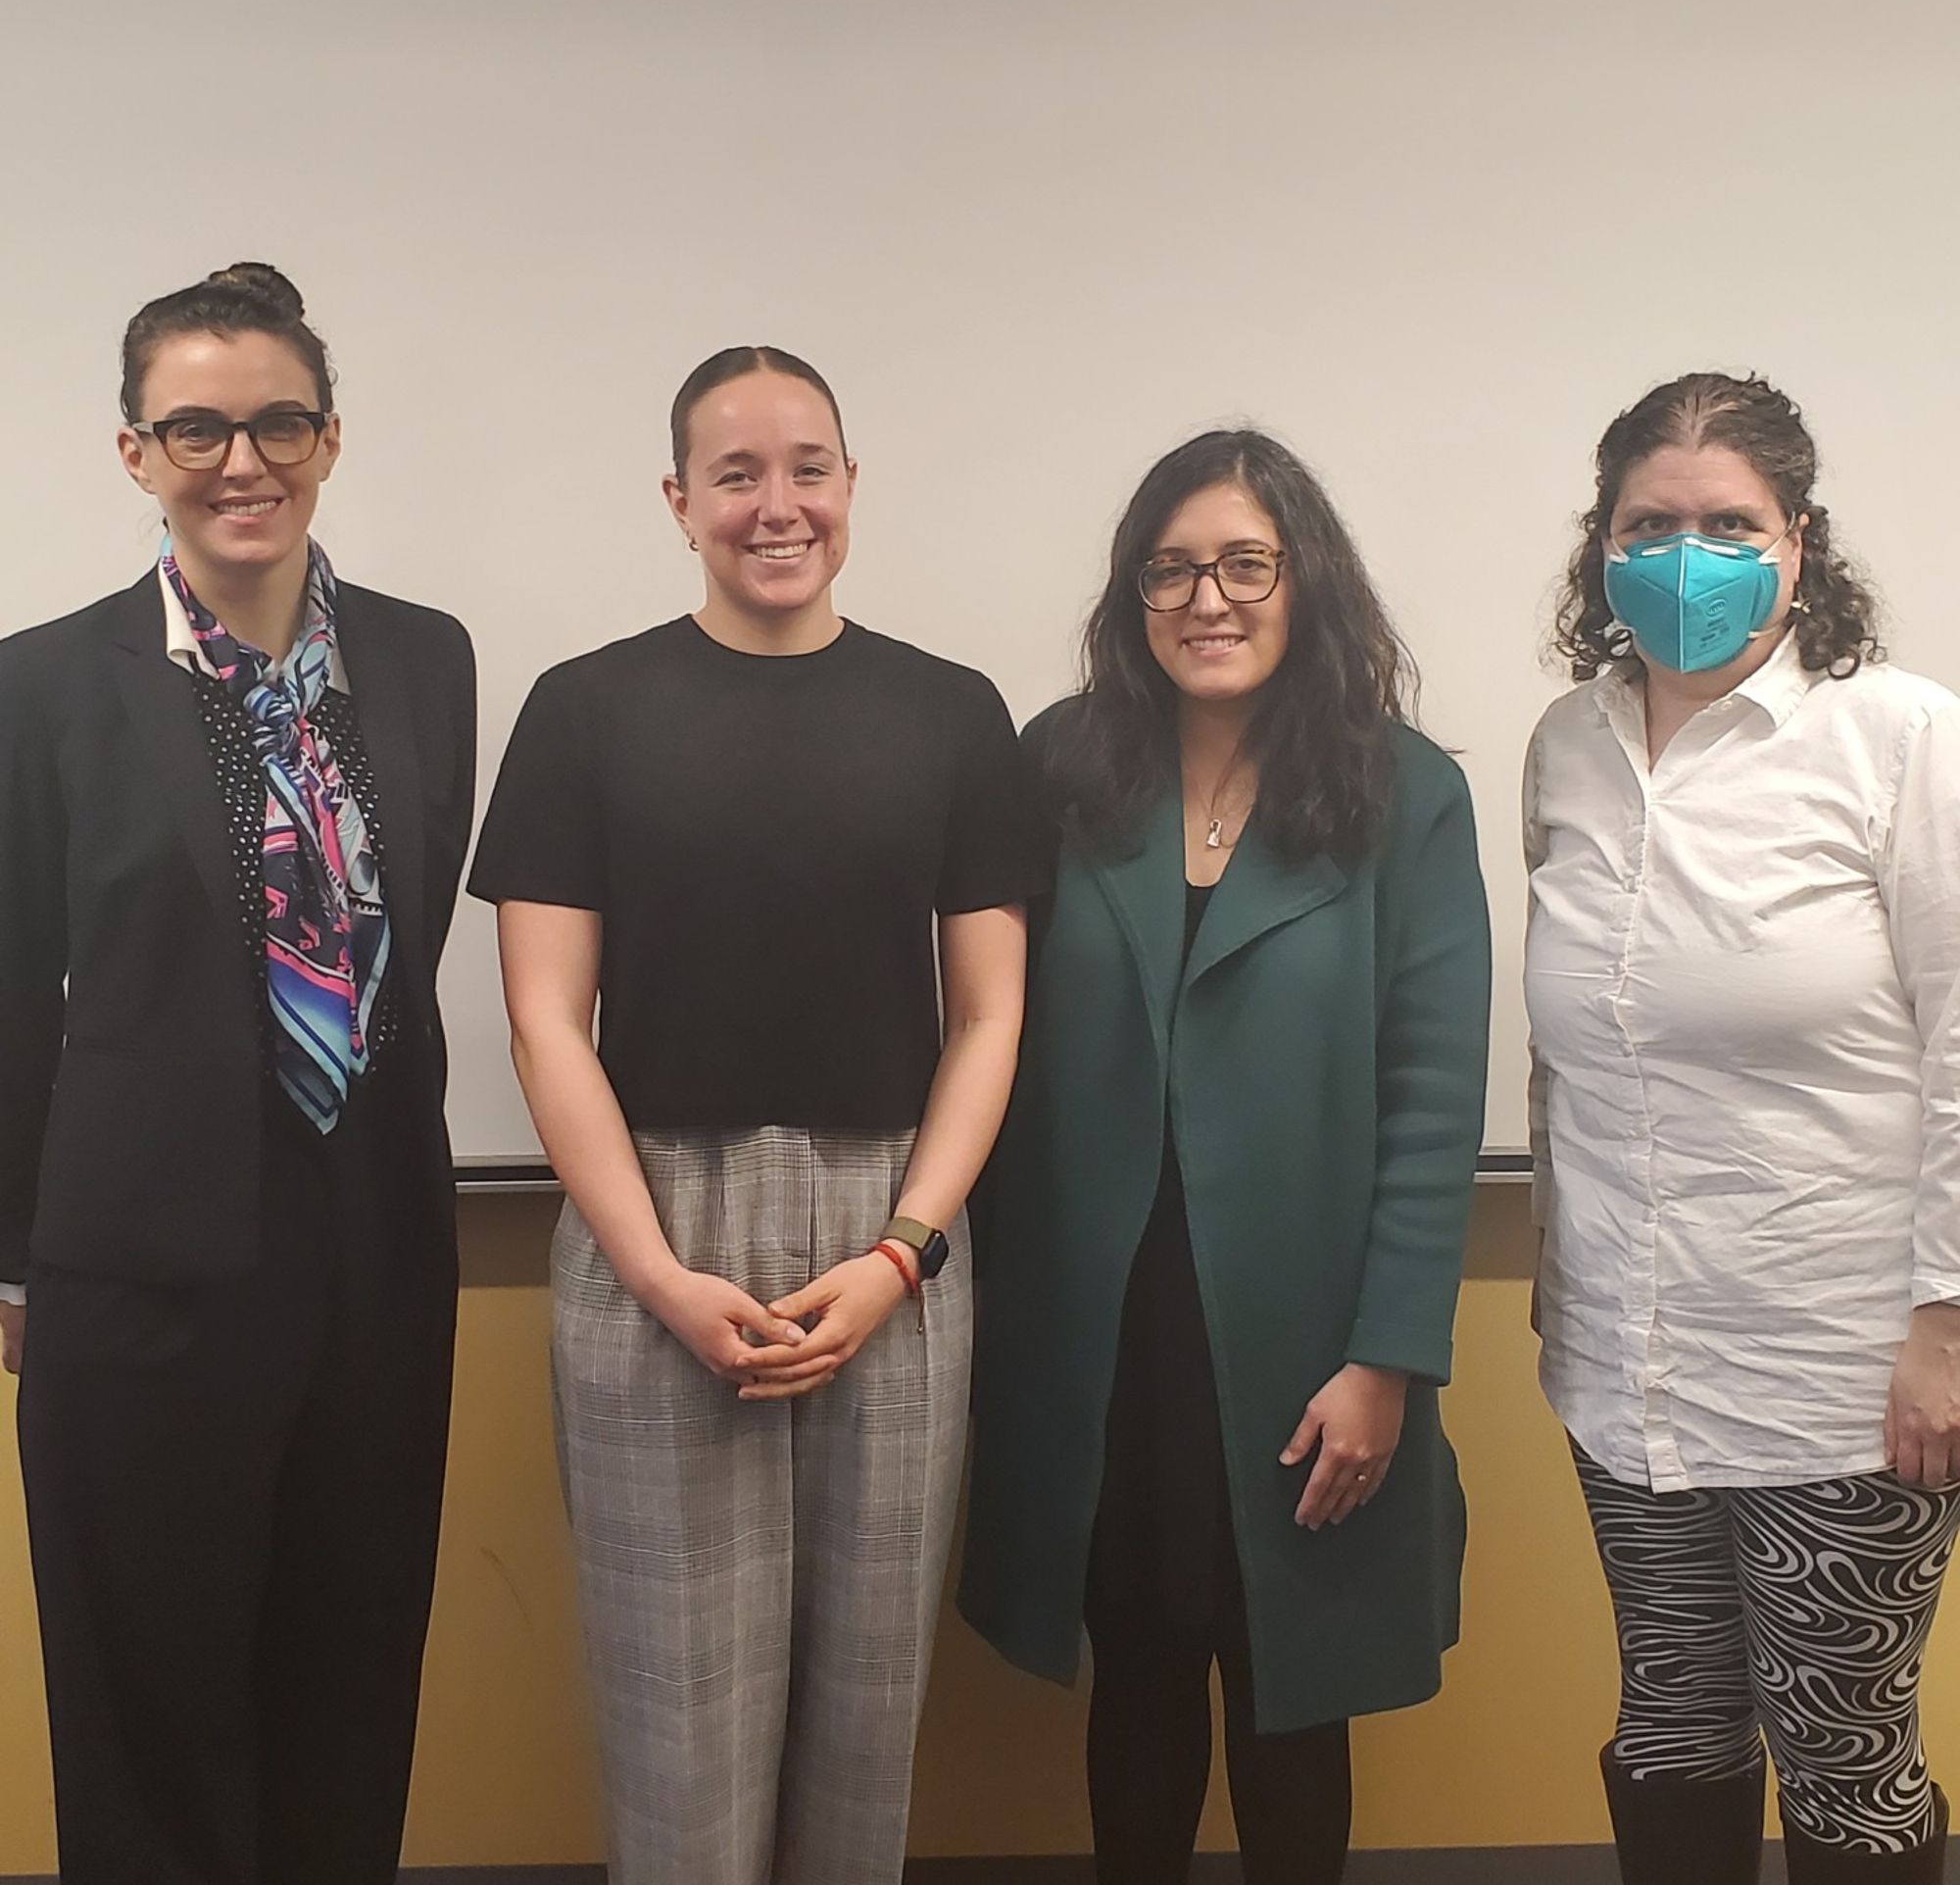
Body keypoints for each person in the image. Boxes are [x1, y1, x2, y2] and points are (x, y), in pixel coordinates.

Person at [467, 345, 1046, 1885]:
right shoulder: (584, 710)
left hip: (894, 1237)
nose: (775, 504)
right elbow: (544, 1018)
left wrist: (904, 1252)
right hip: (651, 1228)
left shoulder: (951, 712)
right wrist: (655, 1273)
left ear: (852, 485)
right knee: (682, 1735)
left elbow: (990, 1013)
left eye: (807, 467)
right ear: (678, 500)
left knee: (867, 1723)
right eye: (735, 474)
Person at [957, 427, 1492, 1884]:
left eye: (1246, 563)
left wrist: (1388, 1359)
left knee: (1289, 1695)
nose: (1209, 598)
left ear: (1304, 581)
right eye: (1172, 568)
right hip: (1100, 1333)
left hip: (1308, 1340)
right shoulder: (1060, 770)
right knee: (1132, 1672)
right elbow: (974, 1031)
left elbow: (1438, 1102)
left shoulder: (1404, 792)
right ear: (1134, 595)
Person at [0, 263, 476, 1884]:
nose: (240, 460)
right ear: (134, 452)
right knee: (151, 1728)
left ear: (330, 438)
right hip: (136, 1286)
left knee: (348, 1709)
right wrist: (9, 1266)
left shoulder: (425, 662)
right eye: (194, 427)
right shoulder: (44, 685)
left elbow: (396, 955)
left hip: (379, 1270)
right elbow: (6, 996)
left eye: (278, 421)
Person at [1527, 372, 1960, 1883]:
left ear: (1798, 543)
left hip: (1841, 1369)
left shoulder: (1900, 740)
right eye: (1652, 524)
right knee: (1672, 1723)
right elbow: (1576, 1060)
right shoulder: (1567, 748)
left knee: (1842, 1743)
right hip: (1628, 1361)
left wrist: (1947, 1324)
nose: (1688, 557)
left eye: (1729, 525)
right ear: (1602, 545)